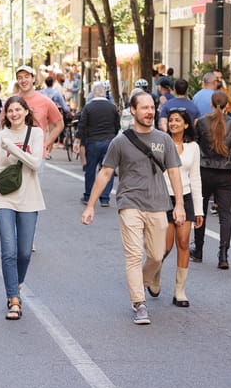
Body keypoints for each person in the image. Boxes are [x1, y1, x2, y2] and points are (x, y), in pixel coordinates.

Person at [81, 91, 186, 325]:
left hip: (158, 204)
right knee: (133, 255)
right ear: (133, 110)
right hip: (129, 202)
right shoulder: (120, 141)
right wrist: (90, 206)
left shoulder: (164, 139)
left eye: (152, 108)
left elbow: (174, 172)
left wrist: (179, 204)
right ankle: (139, 303)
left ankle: (142, 282)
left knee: (157, 255)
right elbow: (106, 172)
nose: (150, 112)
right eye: (144, 108)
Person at [0, 96, 46, 320]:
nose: (14, 114)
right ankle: (13, 299)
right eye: (10, 110)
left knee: (24, 252)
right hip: (3, 198)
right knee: (9, 249)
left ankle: (18, 283)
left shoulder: (35, 134)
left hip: (30, 198)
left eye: (18, 109)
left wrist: (12, 149)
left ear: (26, 111)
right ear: (5, 114)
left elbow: (35, 163)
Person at [148, 108, 203, 307]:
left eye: (177, 120)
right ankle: (155, 274)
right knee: (166, 246)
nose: (173, 123)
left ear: (186, 124)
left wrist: (198, 210)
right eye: (170, 120)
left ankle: (180, 291)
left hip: (186, 198)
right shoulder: (161, 144)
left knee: (183, 242)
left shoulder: (193, 148)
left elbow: (195, 178)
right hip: (164, 198)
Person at [192, 90, 231, 269]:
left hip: (204, 171)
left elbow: (195, 145)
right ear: (227, 105)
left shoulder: (202, 122)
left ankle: (198, 249)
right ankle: (223, 254)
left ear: (211, 104)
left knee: (200, 211)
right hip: (225, 173)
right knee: (225, 215)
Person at [74, 81, 120, 207]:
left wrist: (78, 140)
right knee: (107, 169)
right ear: (104, 93)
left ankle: (88, 195)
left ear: (93, 93)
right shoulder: (112, 107)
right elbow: (117, 125)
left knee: (90, 170)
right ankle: (105, 198)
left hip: (92, 142)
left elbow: (82, 126)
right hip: (109, 141)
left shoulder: (88, 107)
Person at [14, 66, 64, 160]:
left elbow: (60, 124)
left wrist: (48, 142)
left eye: (26, 76)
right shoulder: (11, 101)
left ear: (33, 79)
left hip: (37, 154)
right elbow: (3, 125)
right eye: (20, 78)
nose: (23, 80)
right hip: (13, 153)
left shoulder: (45, 101)